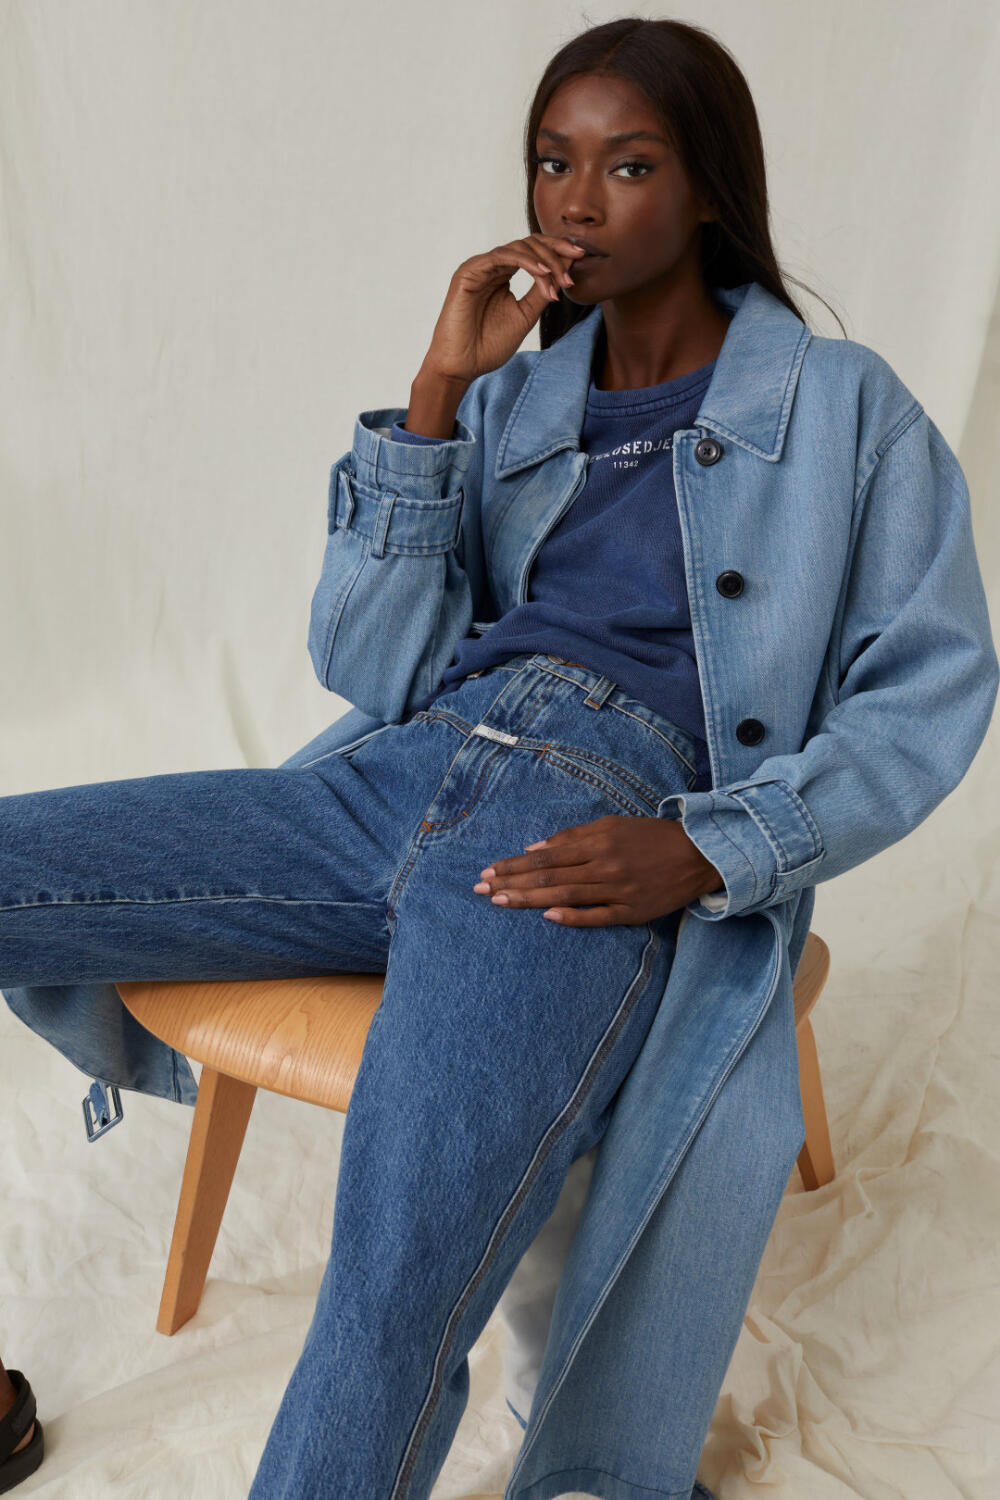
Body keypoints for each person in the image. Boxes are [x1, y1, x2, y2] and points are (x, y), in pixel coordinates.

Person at [2, 16, 997, 1500]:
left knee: (395, 1272)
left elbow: (929, 691)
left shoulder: (847, 407)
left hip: (587, 829)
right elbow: (375, 664)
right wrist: (434, 399)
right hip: (388, 780)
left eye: (628, 166)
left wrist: (710, 847)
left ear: (708, 191)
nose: (576, 203)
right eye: (552, 163)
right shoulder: (519, 400)